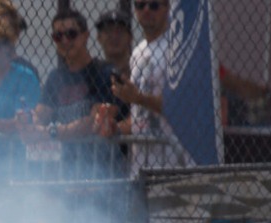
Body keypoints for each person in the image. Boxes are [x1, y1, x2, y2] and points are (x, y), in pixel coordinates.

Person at [111, 0, 188, 171]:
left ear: (167, 8)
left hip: (171, 162)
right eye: (140, 5)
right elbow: (140, 117)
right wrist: (115, 128)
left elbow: (179, 106)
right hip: (141, 164)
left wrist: (138, 98)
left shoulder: (176, 49)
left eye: (154, 5)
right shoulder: (137, 53)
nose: (146, 10)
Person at [31, 10, 124, 141]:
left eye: (71, 34)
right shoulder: (55, 77)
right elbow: (41, 113)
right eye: (58, 36)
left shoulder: (105, 73)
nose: (65, 41)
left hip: (99, 152)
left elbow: (95, 121)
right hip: (66, 153)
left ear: (85, 36)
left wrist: (53, 132)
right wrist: (31, 123)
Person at [93, 8, 131, 81]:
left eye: (120, 31)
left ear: (130, 37)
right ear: (99, 37)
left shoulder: (139, 70)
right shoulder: (94, 75)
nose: (114, 36)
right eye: (108, 30)